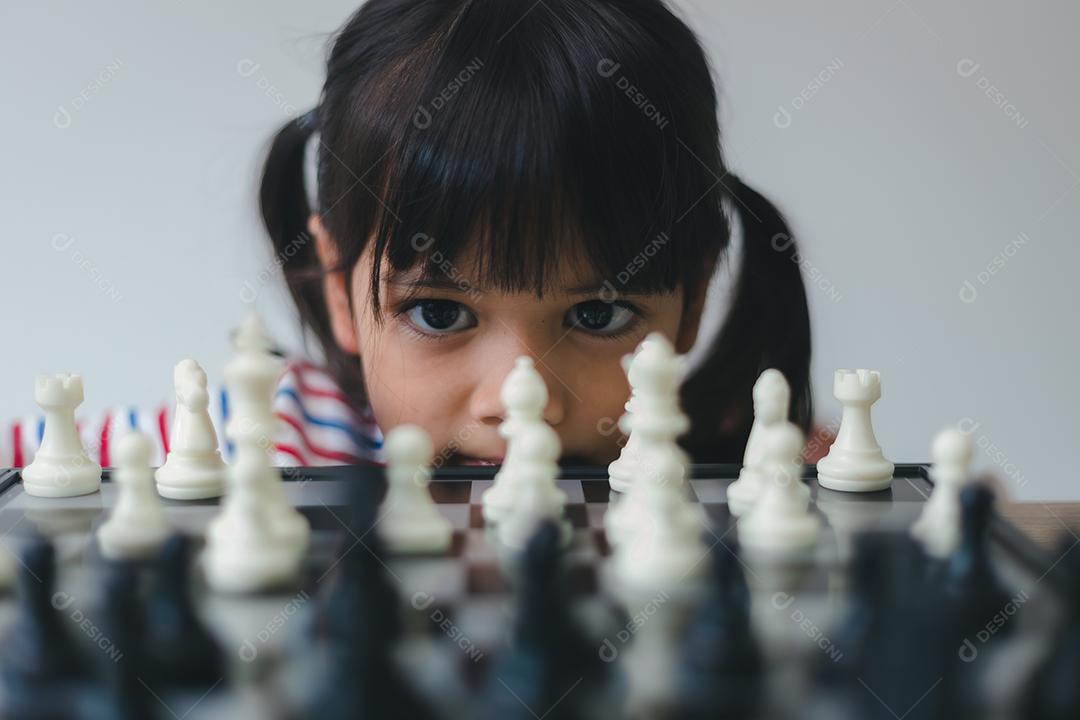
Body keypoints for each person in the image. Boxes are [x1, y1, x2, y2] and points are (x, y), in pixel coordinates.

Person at [5, 0, 819, 470]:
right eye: (439, 312)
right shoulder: (259, 439)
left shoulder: (744, 472)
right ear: (340, 289)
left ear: (693, 299)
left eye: (598, 315)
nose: (520, 402)